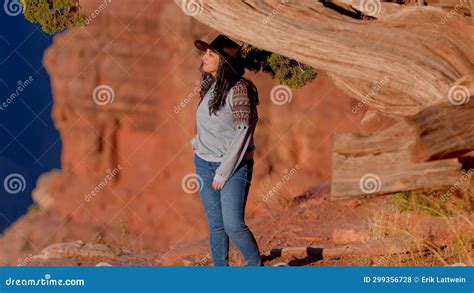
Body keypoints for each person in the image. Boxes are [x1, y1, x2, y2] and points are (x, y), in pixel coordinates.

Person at [190, 34, 262, 266]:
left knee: (232, 224)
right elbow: (211, 123)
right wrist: (199, 143)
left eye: (210, 54)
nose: (204, 57)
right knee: (216, 225)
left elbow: (243, 133)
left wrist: (223, 172)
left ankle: (256, 266)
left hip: (233, 166)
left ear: (224, 61)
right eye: (205, 53)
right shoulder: (211, 86)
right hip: (204, 162)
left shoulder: (239, 89)